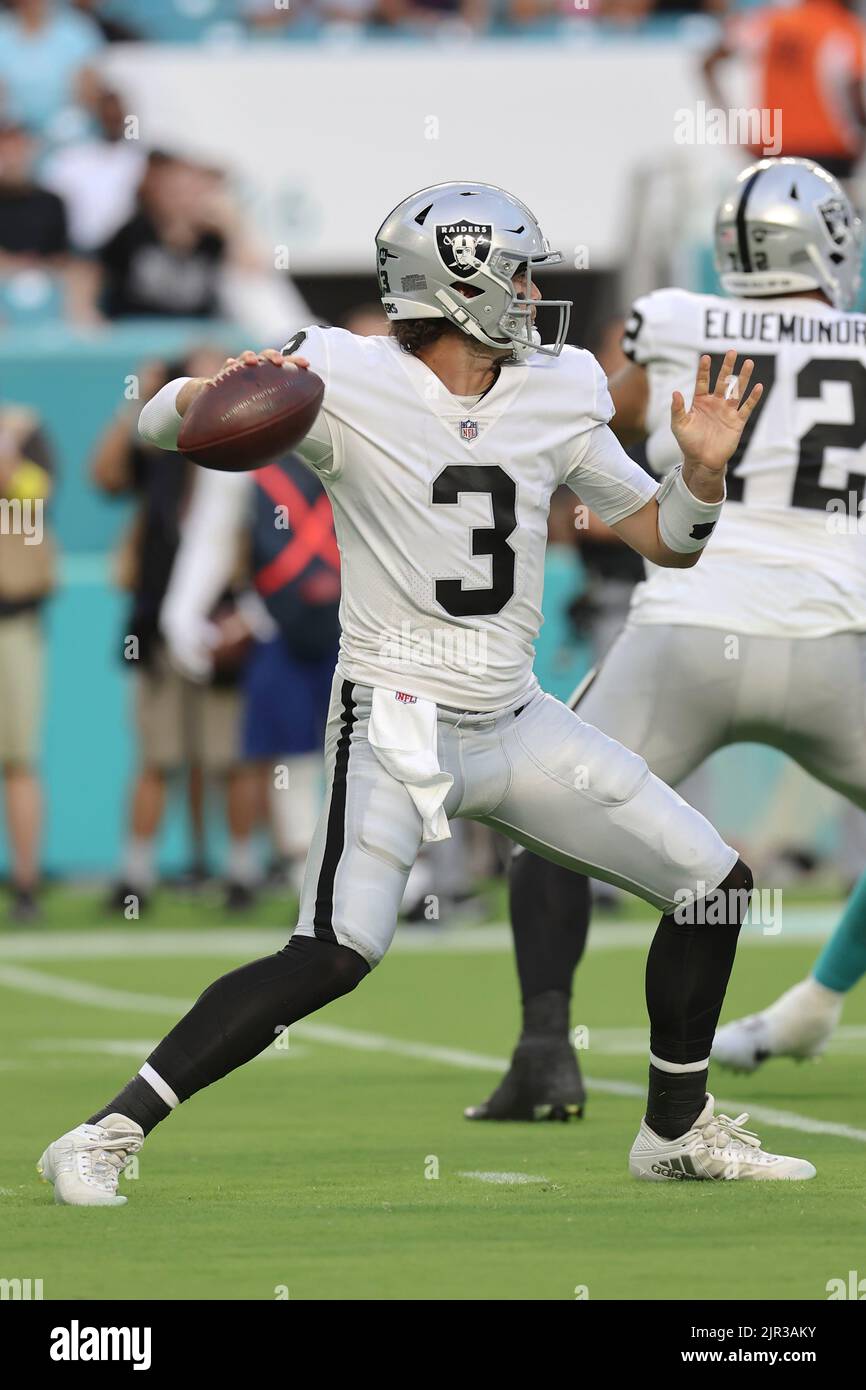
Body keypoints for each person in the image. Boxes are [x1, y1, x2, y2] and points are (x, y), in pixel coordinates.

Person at [38, 179, 812, 1209]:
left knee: (713, 884)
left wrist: (702, 477)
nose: (535, 291)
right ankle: (103, 1132)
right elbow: (162, 431)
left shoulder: (559, 387)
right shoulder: (342, 377)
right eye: (519, 270)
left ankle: (672, 1132)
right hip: (396, 717)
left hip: (519, 716)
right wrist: (198, 399)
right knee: (333, 951)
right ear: (459, 283)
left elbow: (661, 541)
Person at [468, 156, 866, 1121]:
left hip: (685, 633)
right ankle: (818, 998)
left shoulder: (674, 317)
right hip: (831, 643)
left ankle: (545, 1054)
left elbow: (606, 419)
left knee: (545, 828)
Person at [91, 351, 262, 914]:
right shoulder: (163, 450)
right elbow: (106, 476)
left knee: (231, 757)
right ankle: (135, 875)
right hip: (157, 626)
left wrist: (252, 615)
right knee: (157, 756)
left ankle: (241, 872)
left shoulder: (249, 452)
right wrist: (137, 403)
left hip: (226, 627)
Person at [0, 394, 56, 922]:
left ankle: (25, 885)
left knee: (18, 759)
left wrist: (10, 437)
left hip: (12, 624)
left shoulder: (27, 435)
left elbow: (25, 489)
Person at [704, 0, 866, 179]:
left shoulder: (769, 21)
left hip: (772, 152)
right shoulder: (844, 27)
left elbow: (709, 64)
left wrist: (736, 132)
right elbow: (857, 101)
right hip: (831, 154)